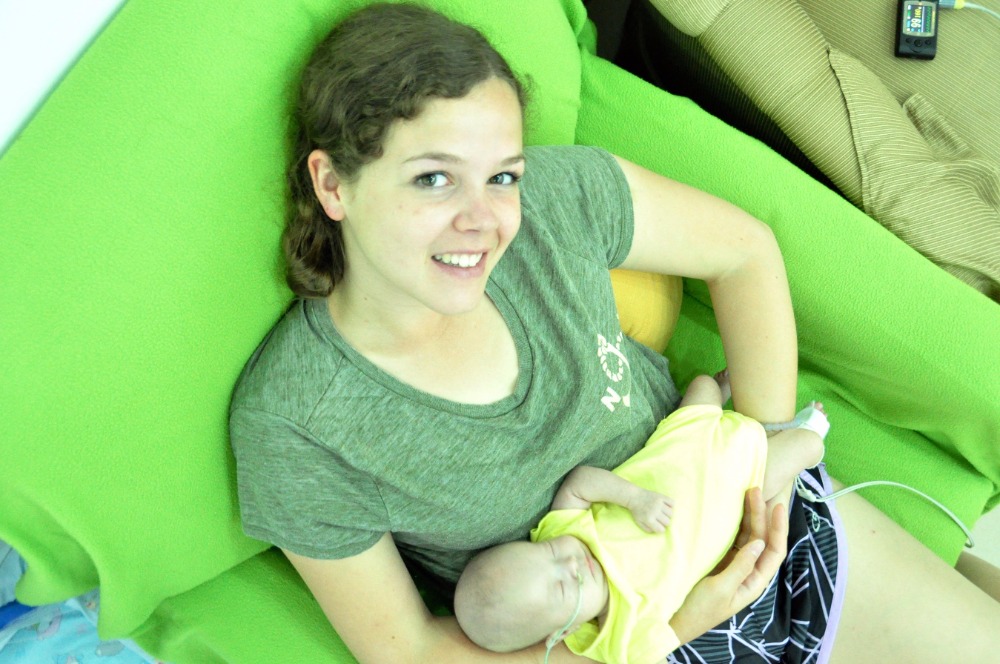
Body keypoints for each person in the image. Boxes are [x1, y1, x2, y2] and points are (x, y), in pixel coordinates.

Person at [228, 3, 1000, 663]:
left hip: (772, 533)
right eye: (434, 178)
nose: (483, 221)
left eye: (502, 175)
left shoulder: (554, 204)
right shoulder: (298, 424)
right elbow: (412, 652)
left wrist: (763, 458)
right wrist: (668, 630)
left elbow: (743, 251)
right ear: (333, 184)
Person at [453, 371, 827, 662]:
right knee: (809, 445)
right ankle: (802, 432)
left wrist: (634, 499)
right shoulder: (621, 642)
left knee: (703, 387)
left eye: (549, 553)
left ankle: (723, 389)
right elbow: (672, 638)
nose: (571, 563)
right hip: (742, 487)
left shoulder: (564, 530)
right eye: (564, 587)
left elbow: (579, 483)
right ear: (562, 633)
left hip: (687, 440)